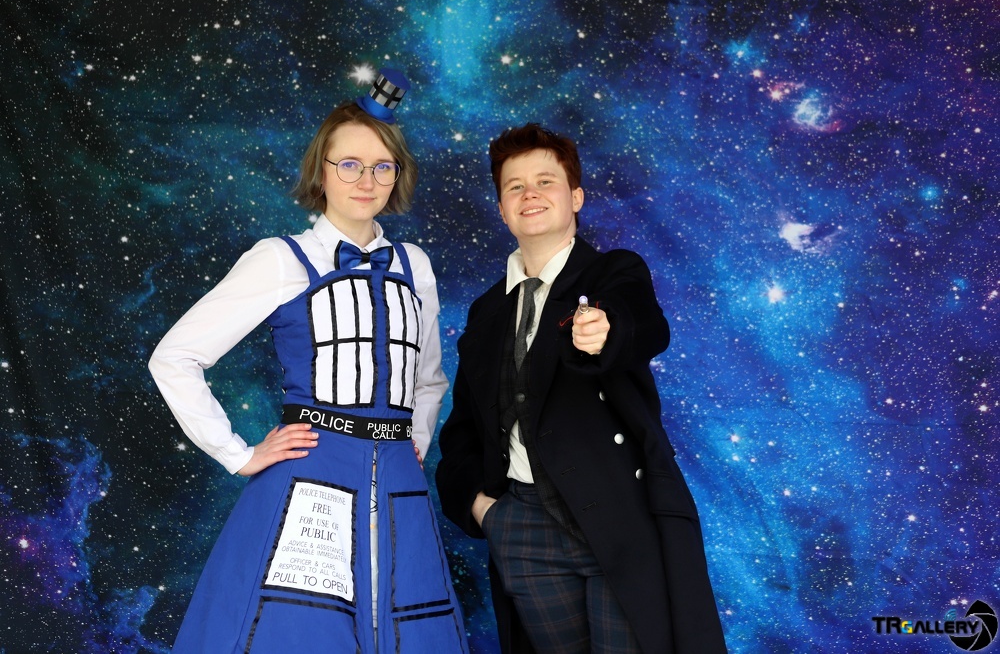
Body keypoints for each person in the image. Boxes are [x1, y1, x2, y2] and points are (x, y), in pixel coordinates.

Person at [149, 69, 469, 654]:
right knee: (300, 632)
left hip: (399, 483)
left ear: (397, 174)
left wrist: (415, 442)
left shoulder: (415, 264)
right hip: (311, 477)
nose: (366, 180)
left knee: (410, 627)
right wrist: (238, 454)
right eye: (349, 164)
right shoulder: (280, 259)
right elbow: (175, 357)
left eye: (382, 166)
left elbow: (428, 379)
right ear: (321, 171)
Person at [435, 123, 727, 653]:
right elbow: (463, 430)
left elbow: (643, 324)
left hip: (617, 518)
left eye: (545, 181)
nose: (530, 194)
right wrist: (485, 511)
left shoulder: (615, 273)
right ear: (502, 210)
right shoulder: (486, 311)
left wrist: (604, 332)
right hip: (521, 527)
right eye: (515, 186)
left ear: (575, 197)